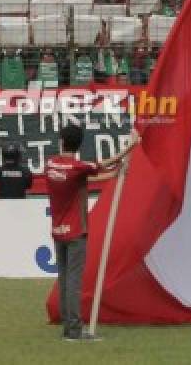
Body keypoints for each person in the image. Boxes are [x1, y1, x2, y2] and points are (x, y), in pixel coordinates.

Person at [45, 124, 139, 342]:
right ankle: (75, 331)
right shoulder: (78, 166)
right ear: (79, 145)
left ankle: (68, 329)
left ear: (61, 141)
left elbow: (81, 178)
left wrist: (111, 175)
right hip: (76, 231)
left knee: (64, 280)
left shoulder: (51, 165)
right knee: (74, 282)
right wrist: (130, 146)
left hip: (58, 231)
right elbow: (102, 164)